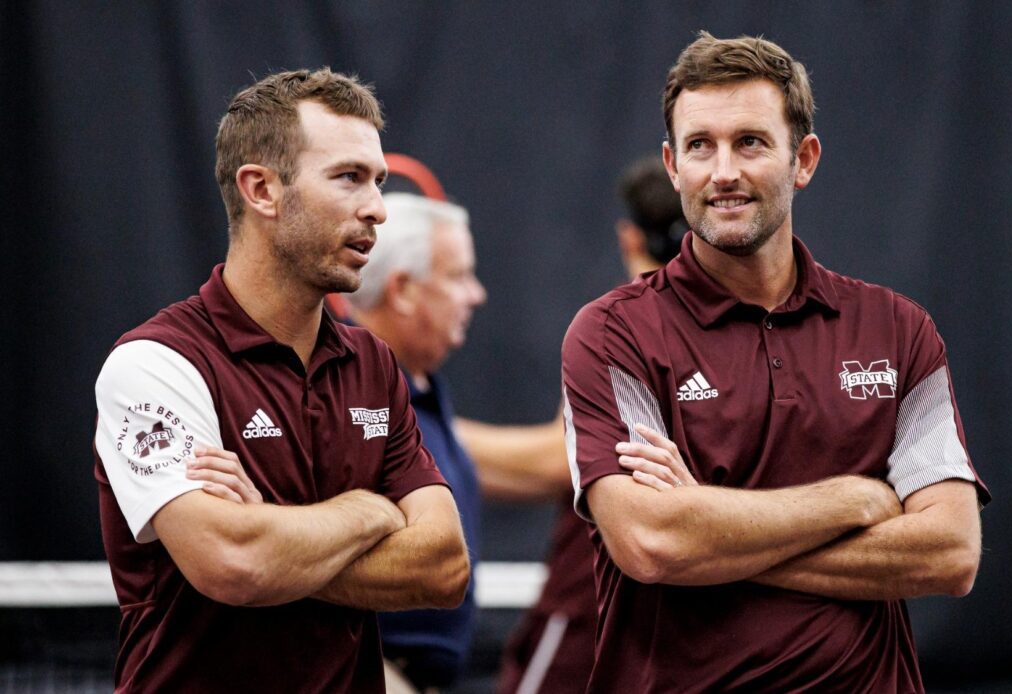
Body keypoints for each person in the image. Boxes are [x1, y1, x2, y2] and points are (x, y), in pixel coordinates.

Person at [560, 32, 990, 693]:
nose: (723, 171)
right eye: (700, 146)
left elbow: (950, 553)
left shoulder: (897, 330)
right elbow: (654, 545)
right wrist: (856, 498)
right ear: (673, 166)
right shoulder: (612, 334)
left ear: (804, 159)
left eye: (750, 143)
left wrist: (711, 525)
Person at [92, 68, 469, 693]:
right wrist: (367, 510)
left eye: (377, 181)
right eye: (349, 178)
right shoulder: (154, 364)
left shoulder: (372, 363)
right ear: (261, 189)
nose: (376, 207)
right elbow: (234, 564)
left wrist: (274, 534)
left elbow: (444, 566)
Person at [493, 156, 686, 694]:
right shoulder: (754, 335)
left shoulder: (614, 331)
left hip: (594, 615)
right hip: (697, 625)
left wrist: (416, 436)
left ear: (628, 238)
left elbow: (561, 460)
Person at [337, 191, 489, 692]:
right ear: (401, 290)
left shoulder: (421, 391)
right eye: (458, 276)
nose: (475, 295)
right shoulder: (342, 396)